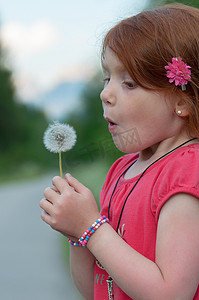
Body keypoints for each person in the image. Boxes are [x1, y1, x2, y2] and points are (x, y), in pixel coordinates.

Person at [40, 3, 199, 299]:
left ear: (183, 101)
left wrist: (91, 227)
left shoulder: (186, 173)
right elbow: (96, 289)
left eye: (128, 83)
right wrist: (78, 234)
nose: (105, 94)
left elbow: (171, 293)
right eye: (106, 78)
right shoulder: (121, 170)